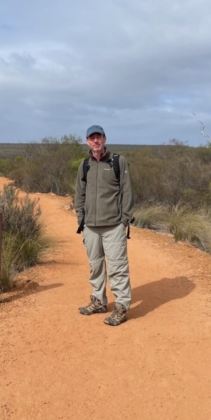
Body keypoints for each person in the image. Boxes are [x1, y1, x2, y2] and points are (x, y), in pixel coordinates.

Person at [75, 125, 134, 326]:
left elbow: (127, 191)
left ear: (105, 139)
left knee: (118, 267)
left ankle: (121, 307)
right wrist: (80, 219)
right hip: (90, 226)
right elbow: (79, 194)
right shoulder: (85, 165)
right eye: (92, 138)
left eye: (98, 137)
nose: (96, 141)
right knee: (95, 266)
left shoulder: (118, 161)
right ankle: (99, 301)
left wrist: (124, 220)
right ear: (87, 141)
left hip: (114, 225)